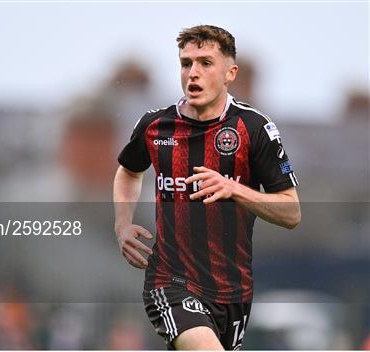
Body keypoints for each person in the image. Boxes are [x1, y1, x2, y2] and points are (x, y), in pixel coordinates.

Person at [113, 25, 301, 350]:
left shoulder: (254, 129)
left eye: (205, 63)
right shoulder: (155, 125)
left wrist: (234, 189)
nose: (193, 73)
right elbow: (128, 171)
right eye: (186, 64)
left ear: (230, 72)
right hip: (170, 282)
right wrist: (122, 224)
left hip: (234, 291)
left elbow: (292, 212)